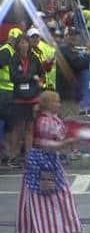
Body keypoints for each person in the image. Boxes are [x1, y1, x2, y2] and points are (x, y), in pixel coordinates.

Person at [16, 91, 90, 233]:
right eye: (56, 102)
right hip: (44, 162)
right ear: (47, 104)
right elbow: (47, 144)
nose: (59, 104)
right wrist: (68, 142)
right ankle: (62, 228)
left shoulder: (49, 119)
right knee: (58, 194)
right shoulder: (46, 122)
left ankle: (46, 228)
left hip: (42, 161)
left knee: (44, 196)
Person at [56, 28, 90, 159]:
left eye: (75, 35)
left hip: (71, 91)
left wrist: (89, 51)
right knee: (70, 122)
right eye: (70, 35)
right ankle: (72, 151)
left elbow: (79, 61)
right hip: (67, 92)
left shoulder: (70, 50)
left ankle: (68, 150)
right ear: (65, 36)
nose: (74, 37)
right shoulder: (65, 50)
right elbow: (79, 63)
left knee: (69, 121)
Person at [9, 34, 45, 164]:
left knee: (30, 127)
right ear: (18, 45)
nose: (24, 45)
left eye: (25, 42)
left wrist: (39, 81)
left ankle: (29, 155)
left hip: (32, 97)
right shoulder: (14, 59)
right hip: (18, 98)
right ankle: (13, 156)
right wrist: (30, 77)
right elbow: (14, 77)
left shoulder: (34, 58)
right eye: (21, 43)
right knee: (17, 127)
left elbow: (41, 73)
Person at [0, 28, 22, 166]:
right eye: (16, 40)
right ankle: (7, 153)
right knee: (10, 124)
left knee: (10, 124)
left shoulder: (10, 51)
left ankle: (7, 154)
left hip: (9, 92)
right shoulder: (6, 51)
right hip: (5, 92)